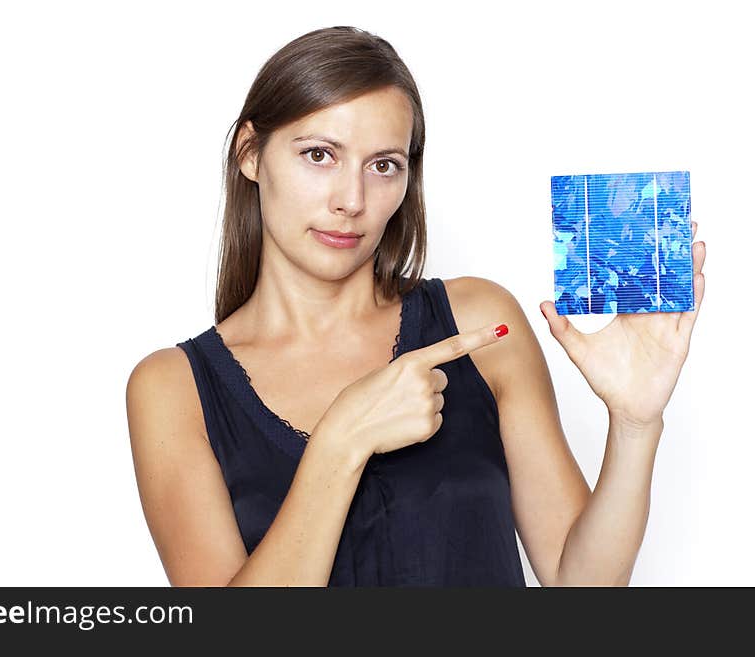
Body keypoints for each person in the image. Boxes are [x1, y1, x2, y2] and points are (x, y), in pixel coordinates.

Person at [125, 26, 707, 587]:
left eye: (383, 166)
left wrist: (636, 423)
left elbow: (584, 589)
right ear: (251, 153)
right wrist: (342, 441)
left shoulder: (481, 322)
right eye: (320, 155)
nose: (351, 201)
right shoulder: (172, 388)